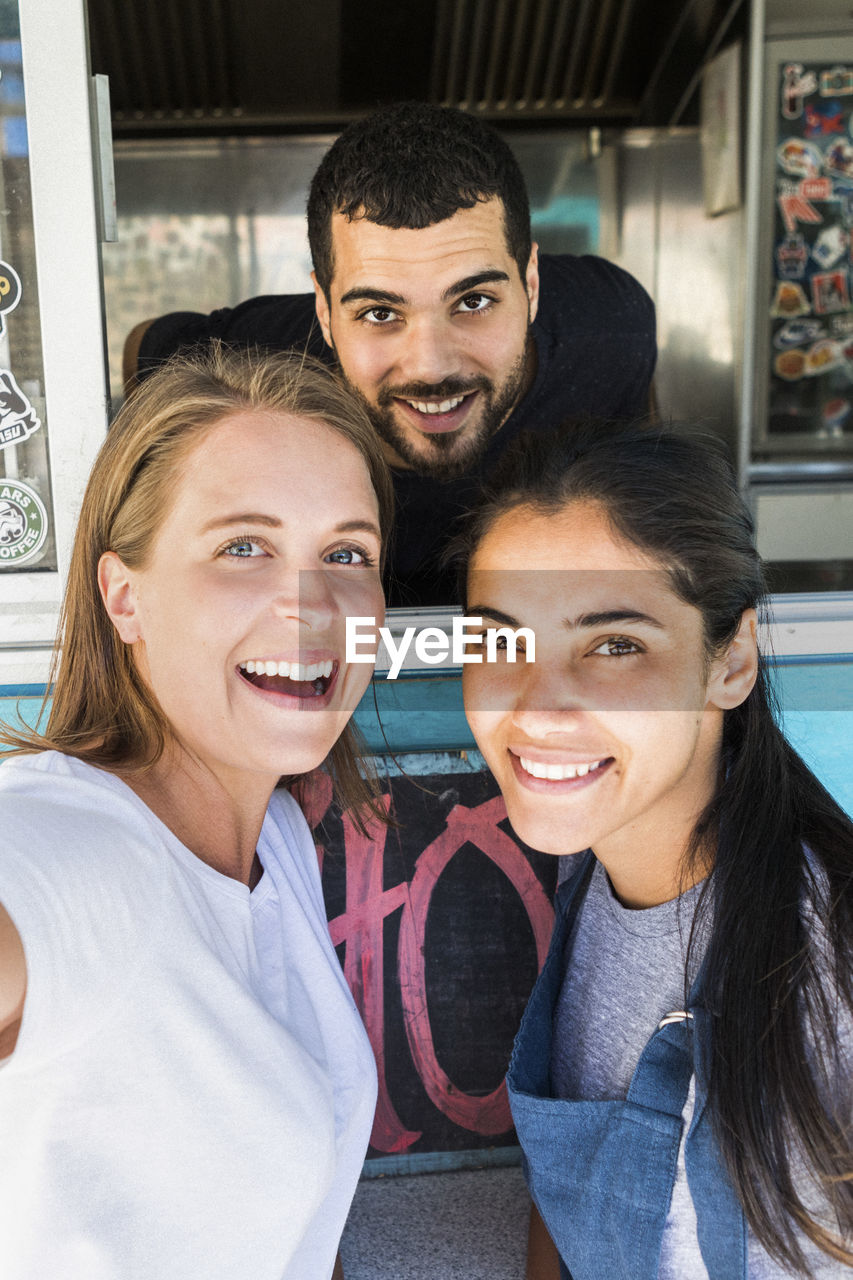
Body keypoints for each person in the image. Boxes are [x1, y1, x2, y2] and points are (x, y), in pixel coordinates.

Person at [0, 347, 395, 1279]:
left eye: (347, 554)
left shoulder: (279, 839)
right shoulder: (81, 853)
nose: (310, 609)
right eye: (242, 547)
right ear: (124, 597)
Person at [454, 421, 853, 1277]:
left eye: (614, 645)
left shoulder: (831, 955)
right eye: (498, 641)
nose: (539, 708)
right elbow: (568, 1197)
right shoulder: (587, 867)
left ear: (730, 661)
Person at [123, 102, 657, 606]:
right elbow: (143, 346)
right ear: (326, 314)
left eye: (473, 301)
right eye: (380, 313)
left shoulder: (611, 331)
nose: (431, 366)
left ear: (532, 285)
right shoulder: (261, 365)